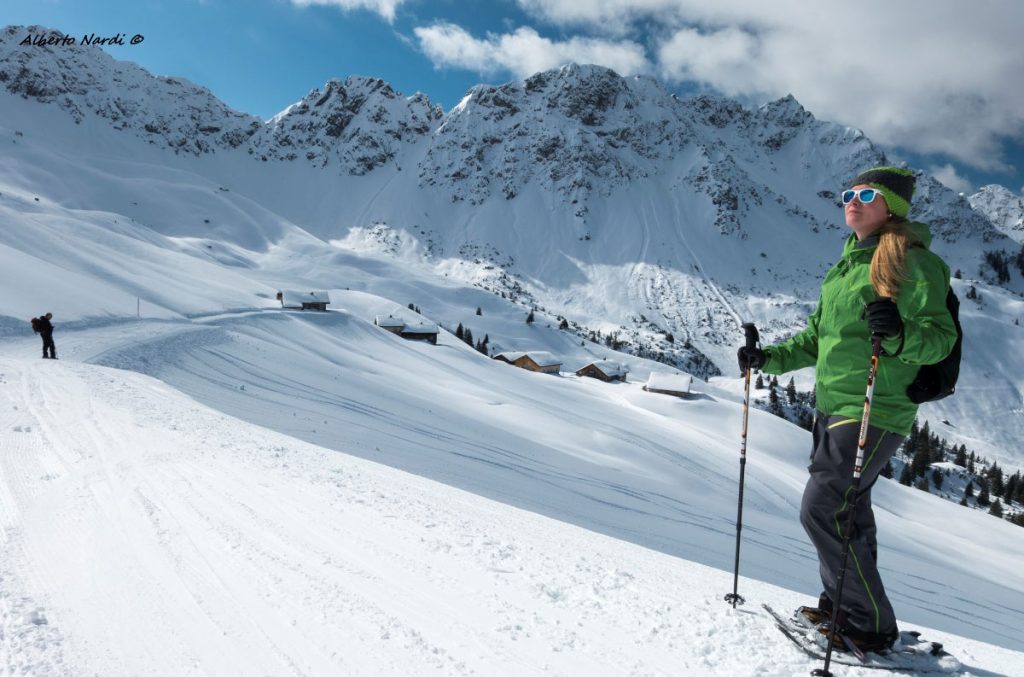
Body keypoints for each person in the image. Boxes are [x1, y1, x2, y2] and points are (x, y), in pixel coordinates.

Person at [737, 166, 957, 652]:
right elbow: (819, 339)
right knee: (848, 512)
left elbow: (940, 340)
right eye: (848, 193)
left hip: (875, 407)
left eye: (866, 194)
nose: (852, 201)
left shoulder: (914, 263)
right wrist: (766, 358)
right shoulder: (848, 265)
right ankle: (844, 603)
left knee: (823, 509)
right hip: (834, 404)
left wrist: (899, 334)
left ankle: (870, 624)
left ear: (891, 207)